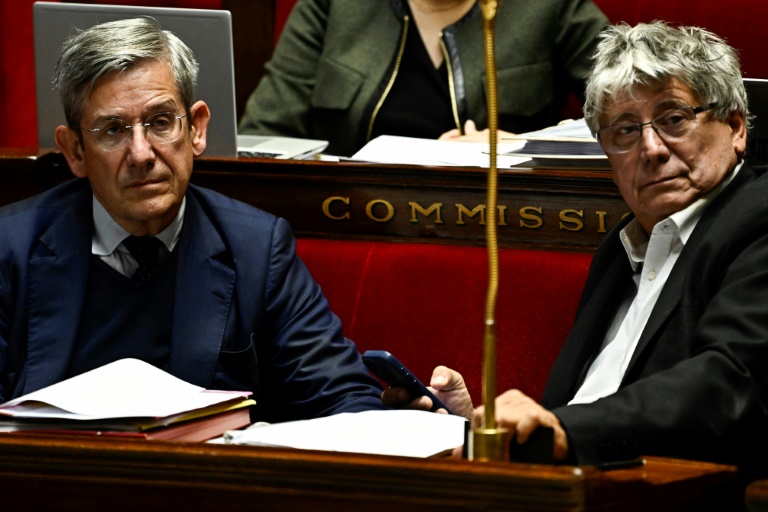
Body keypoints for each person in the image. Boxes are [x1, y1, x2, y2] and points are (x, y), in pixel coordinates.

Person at [386, 21, 768, 477]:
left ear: (735, 126)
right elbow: (589, 401)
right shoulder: (621, 246)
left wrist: (565, 432)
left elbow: (732, 384)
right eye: (624, 131)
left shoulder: (757, 219)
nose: (651, 148)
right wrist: (488, 432)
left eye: (673, 119)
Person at [0, 17, 387, 423]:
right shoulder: (10, 248)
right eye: (113, 130)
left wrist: (406, 421)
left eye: (160, 122)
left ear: (197, 129)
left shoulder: (257, 247)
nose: (141, 153)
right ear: (75, 150)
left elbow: (344, 398)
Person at [238, 0, 609, 156]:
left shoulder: (551, 6)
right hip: (348, 217)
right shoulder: (334, 5)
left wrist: (519, 148)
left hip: (503, 225)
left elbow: (634, 114)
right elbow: (263, 134)